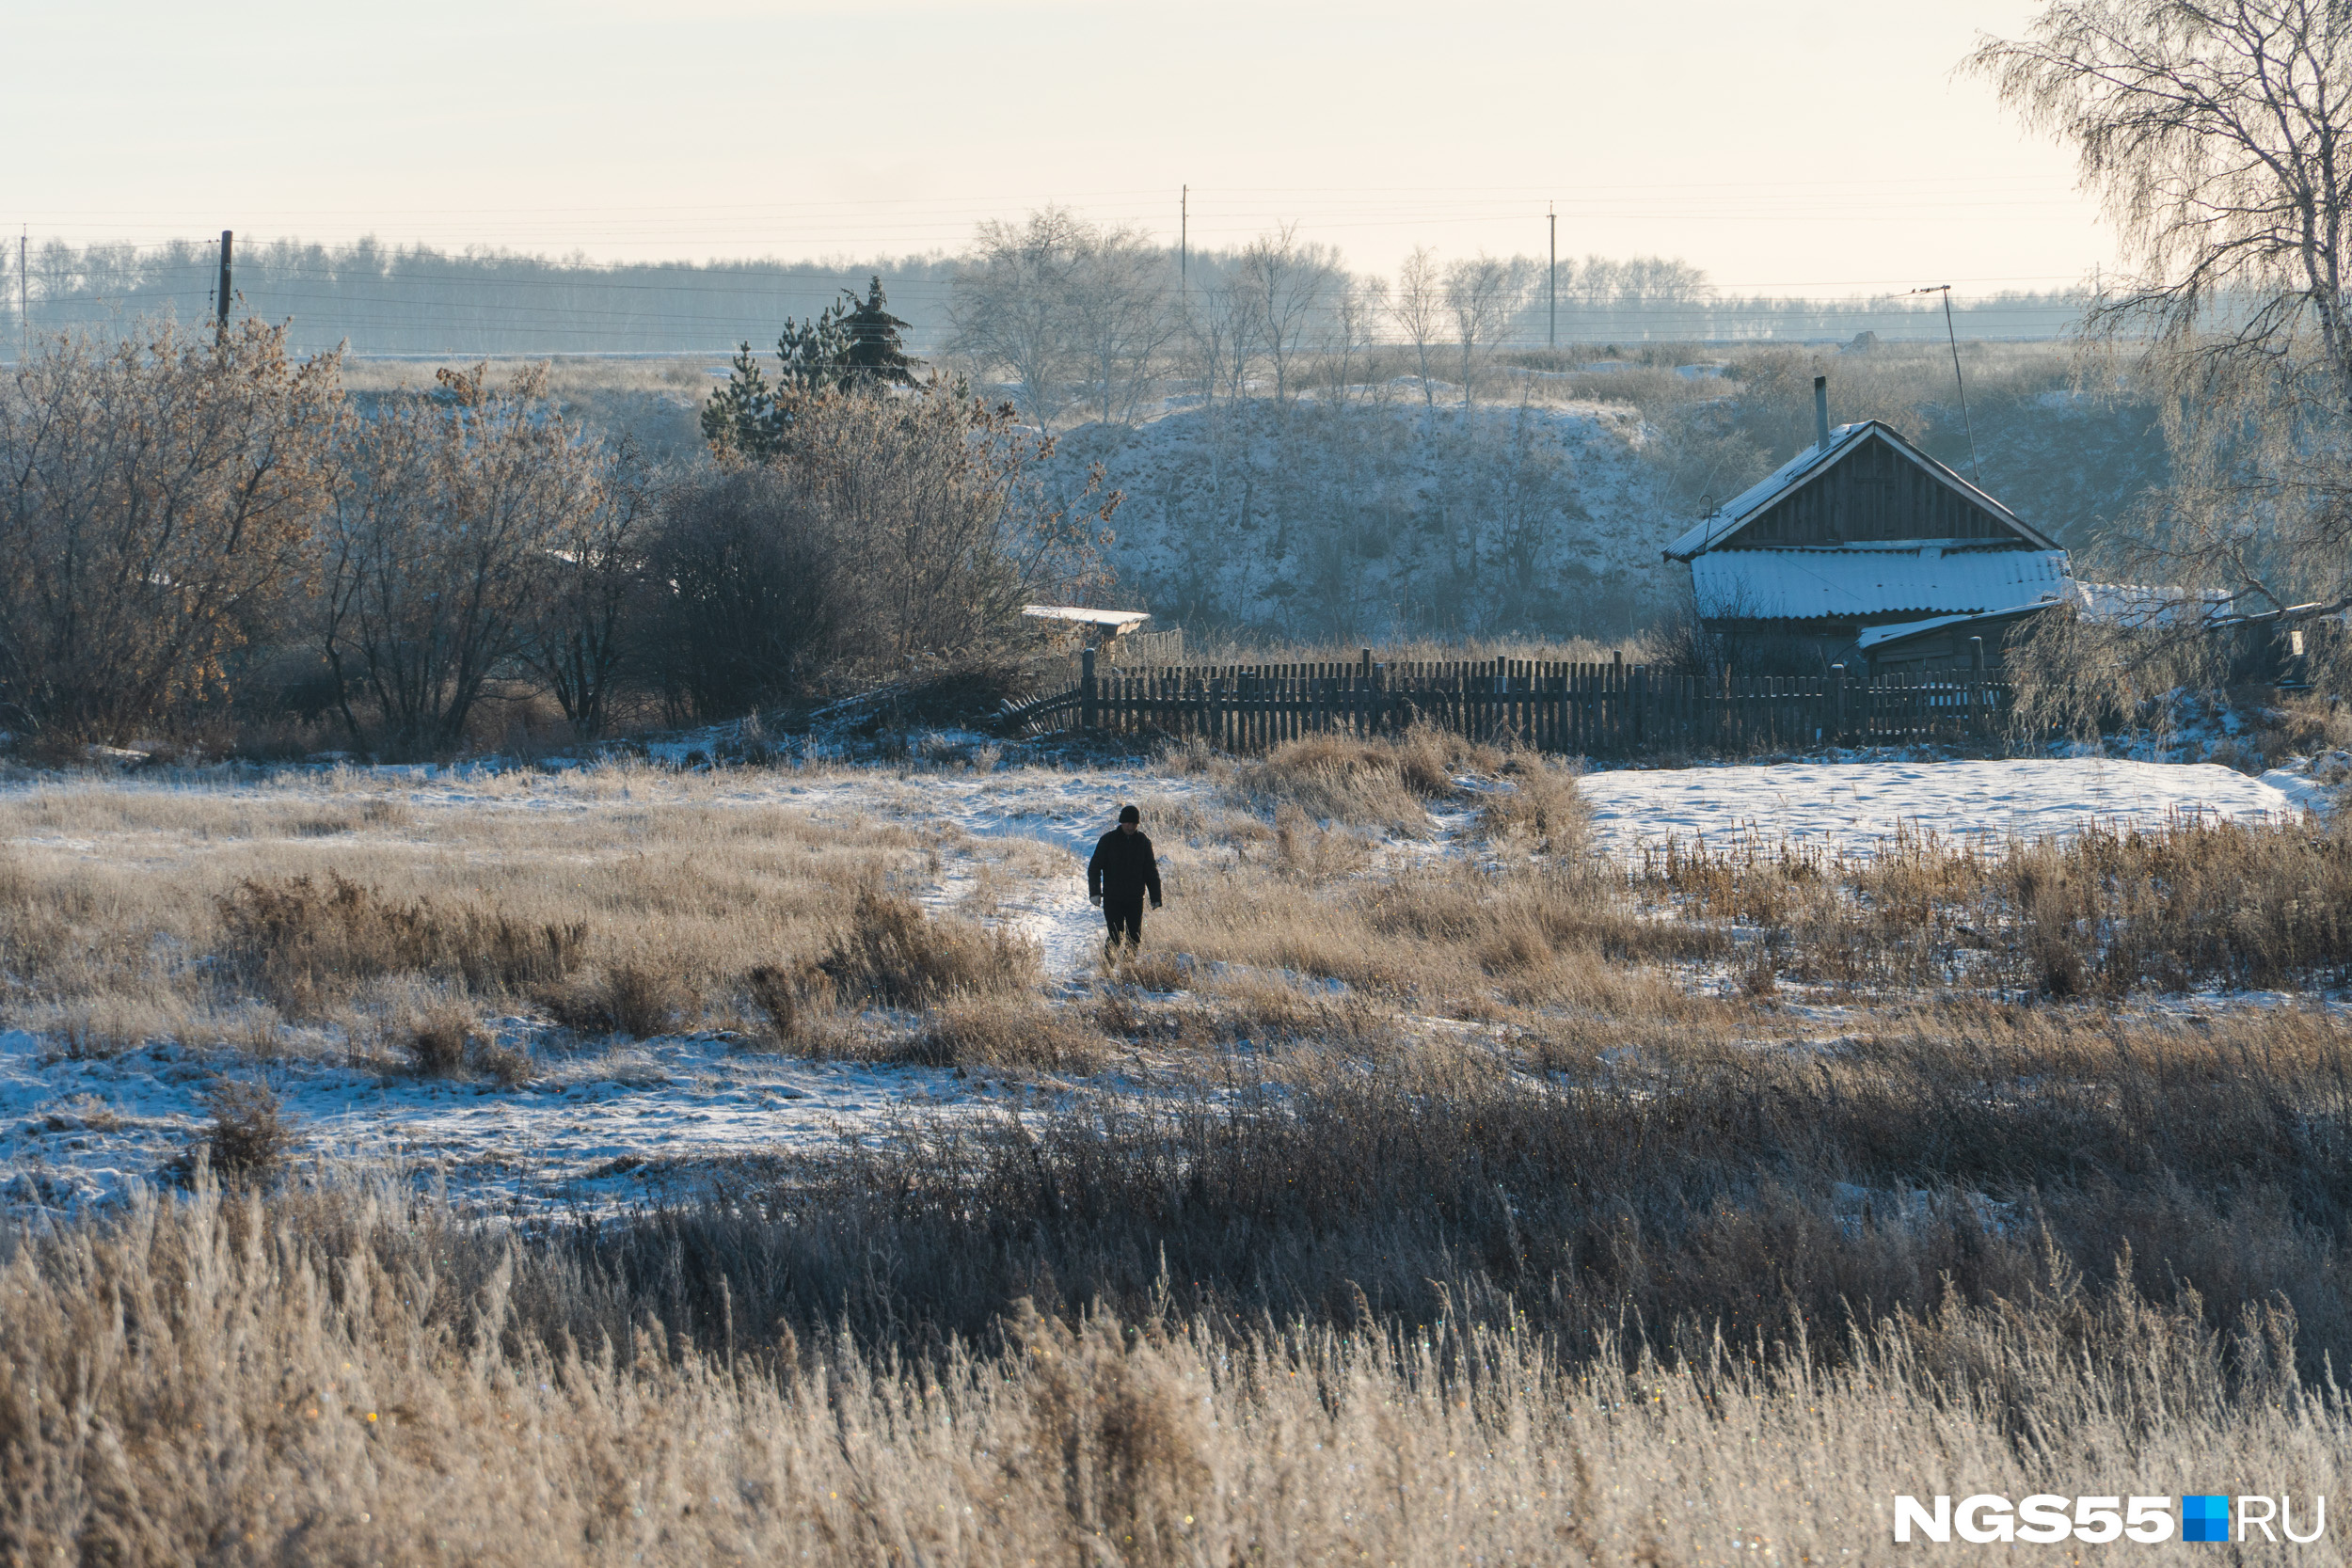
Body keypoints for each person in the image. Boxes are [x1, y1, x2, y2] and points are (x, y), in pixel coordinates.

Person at [1088, 804, 1162, 961]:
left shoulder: (1143, 842)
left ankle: (1128, 969)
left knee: (1134, 937)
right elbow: (1094, 868)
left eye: (1134, 823)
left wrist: (1155, 896)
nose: (1130, 826)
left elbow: (1151, 871)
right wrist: (1095, 892)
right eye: (1127, 822)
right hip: (1112, 898)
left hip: (1135, 898)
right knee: (1116, 935)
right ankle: (1108, 968)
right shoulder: (1108, 841)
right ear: (1121, 822)